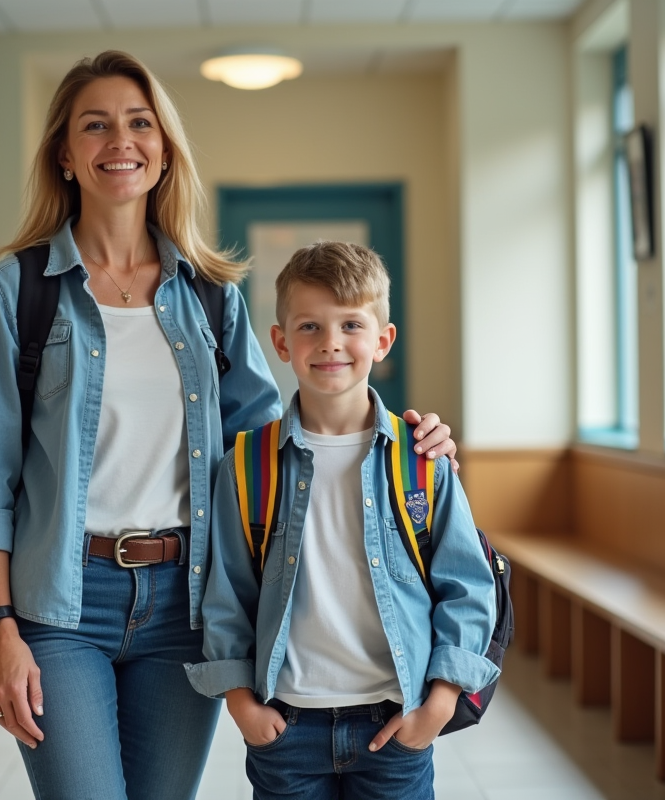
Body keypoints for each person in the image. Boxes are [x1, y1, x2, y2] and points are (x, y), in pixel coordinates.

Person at [0, 51, 459, 800]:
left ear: (163, 151)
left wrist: (401, 436)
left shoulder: (209, 295)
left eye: (138, 123)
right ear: (65, 153)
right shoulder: (18, 291)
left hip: (184, 605)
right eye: (94, 125)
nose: (118, 141)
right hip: (60, 605)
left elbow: (273, 445)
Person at [186, 241, 497, 800]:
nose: (330, 343)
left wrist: (441, 703)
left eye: (351, 324)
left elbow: (467, 587)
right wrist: (241, 704)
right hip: (287, 728)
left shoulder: (422, 460)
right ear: (280, 342)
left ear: (383, 339)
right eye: (309, 327)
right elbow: (227, 592)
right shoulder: (248, 463)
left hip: (393, 722)